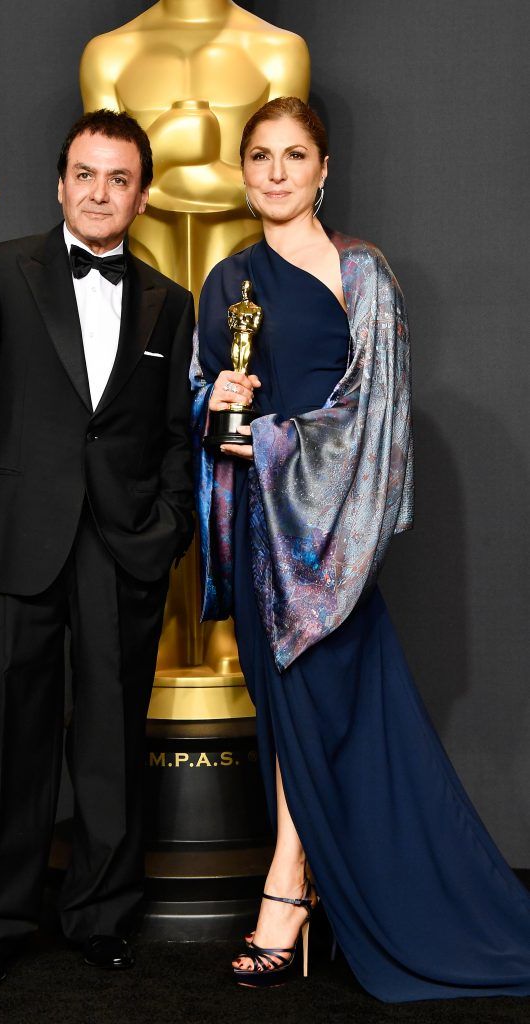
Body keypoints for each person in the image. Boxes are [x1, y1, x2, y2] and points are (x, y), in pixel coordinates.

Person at [192, 96, 530, 1000]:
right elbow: (199, 398)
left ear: (323, 170)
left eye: (293, 156)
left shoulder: (361, 273)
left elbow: (375, 420)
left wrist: (266, 441)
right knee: (293, 727)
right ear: (241, 171)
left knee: (326, 720)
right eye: (259, 156)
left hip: (326, 551)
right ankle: (308, 894)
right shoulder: (226, 279)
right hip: (259, 536)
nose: (275, 172)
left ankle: (285, 898)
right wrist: (214, 404)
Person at [0, 109, 195, 987]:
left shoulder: (171, 300)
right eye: (86, 174)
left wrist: (165, 530)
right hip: (10, 539)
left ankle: (101, 915)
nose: (100, 192)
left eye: (119, 179)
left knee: (113, 739)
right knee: (7, 731)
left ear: (142, 196)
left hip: (122, 546)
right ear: (59, 182)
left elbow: (171, 436)